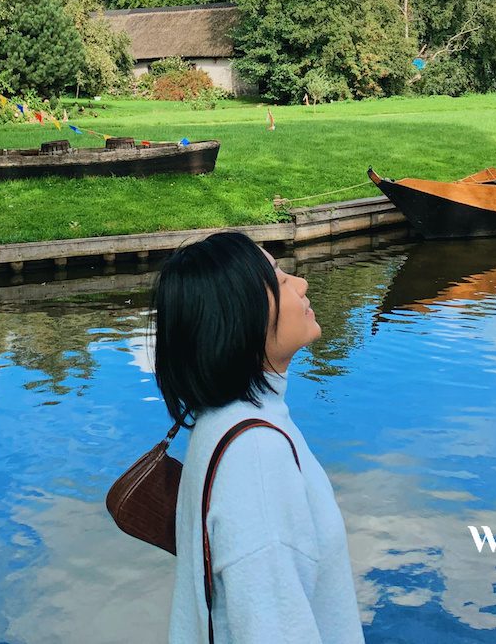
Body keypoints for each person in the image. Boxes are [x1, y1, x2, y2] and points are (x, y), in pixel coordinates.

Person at [153, 230, 365, 643]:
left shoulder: (225, 420)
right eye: (281, 281)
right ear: (239, 316)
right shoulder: (255, 457)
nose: (301, 284)